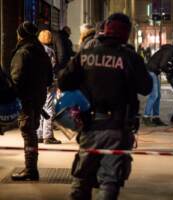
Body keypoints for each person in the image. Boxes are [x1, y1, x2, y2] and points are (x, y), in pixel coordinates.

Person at [57, 13, 152, 200]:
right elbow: (146, 87)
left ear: (105, 30)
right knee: (110, 181)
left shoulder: (85, 55)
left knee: (81, 179)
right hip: (117, 127)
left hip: (88, 124)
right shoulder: (130, 58)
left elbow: (63, 81)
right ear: (126, 34)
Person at [9, 21, 53, 181]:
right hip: (38, 96)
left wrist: (12, 93)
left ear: (21, 34)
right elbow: (49, 78)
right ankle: (30, 169)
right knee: (31, 130)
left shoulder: (24, 51)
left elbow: (17, 78)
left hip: (26, 98)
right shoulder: (41, 50)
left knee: (28, 132)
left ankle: (30, 170)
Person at [142, 40, 173, 126]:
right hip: (151, 71)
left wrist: (170, 66)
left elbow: (163, 64)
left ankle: (155, 117)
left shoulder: (168, 50)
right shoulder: (169, 51)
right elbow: (162, 65)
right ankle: (146, 116)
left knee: (158, 96)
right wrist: (169, 70)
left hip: (155, 72)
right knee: (154, 95)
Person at [36, 30, 61, 144]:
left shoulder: (35, 50)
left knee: (40, 107)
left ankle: (39, 134)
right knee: (49, 108)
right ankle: (48, 136)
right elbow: (53, 66)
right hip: (49, 83)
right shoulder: (50, 51)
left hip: (38, 83)